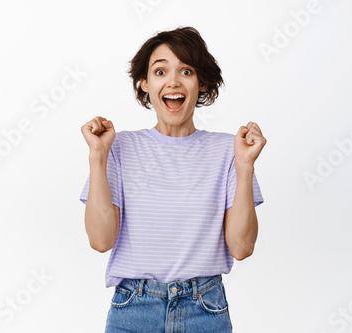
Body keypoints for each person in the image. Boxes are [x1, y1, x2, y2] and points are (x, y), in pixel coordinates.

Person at [79, 26, 266, 333]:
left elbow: (242, 247)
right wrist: (97, 156)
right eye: (160, 71)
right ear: (145, 82)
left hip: (205, 309)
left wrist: (245, 166)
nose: (173, 81)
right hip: (134, 309)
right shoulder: (119, 148)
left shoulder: (229, 151)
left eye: (187, 71)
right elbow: (100, 241)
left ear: (201, 82)